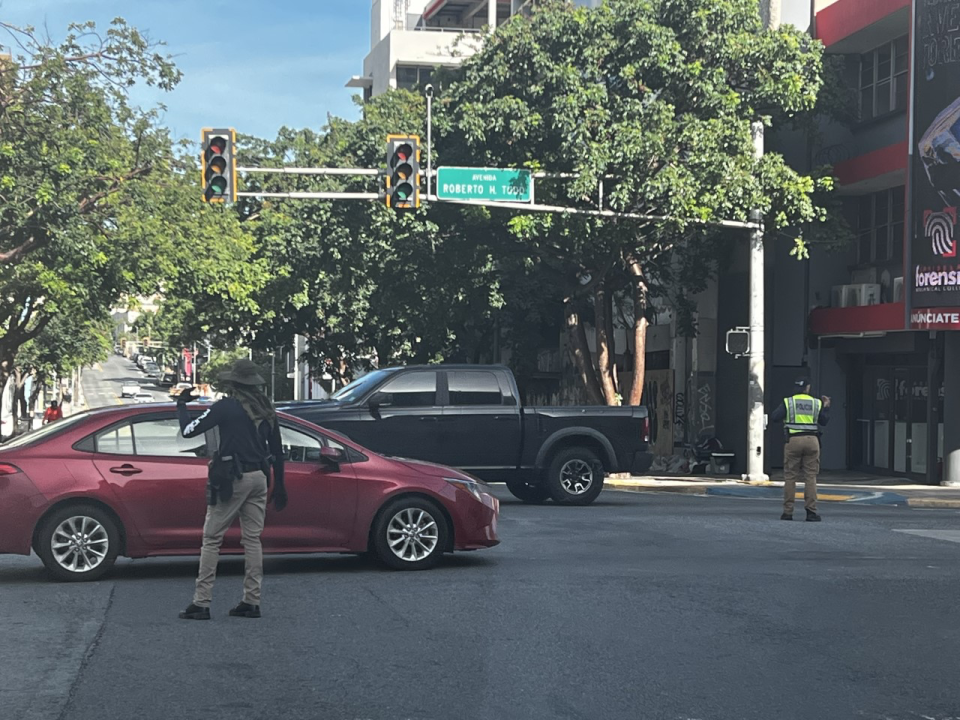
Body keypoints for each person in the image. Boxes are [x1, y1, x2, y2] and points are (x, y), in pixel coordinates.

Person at [176, 359, 287, 621]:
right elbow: (278, 451)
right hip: (260, 477)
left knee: (212, 538)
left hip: (232, 479)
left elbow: (189, 430)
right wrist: (280, 485)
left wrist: (181, 405)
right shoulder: (267, 409)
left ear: (233, 384)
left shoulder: (226, 407)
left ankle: (201, 603)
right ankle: (251, 600)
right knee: (252, 540)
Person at [769, 376, 830, 522]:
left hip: (793, 440)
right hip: (812, 441)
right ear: (807, 388)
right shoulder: (816, 403)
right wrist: (826, 406)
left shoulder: (788, 402)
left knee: (790, 476)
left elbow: (775, 417)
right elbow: (824, 421)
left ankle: (787, 512)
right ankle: (811, 512)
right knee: (810, 477)